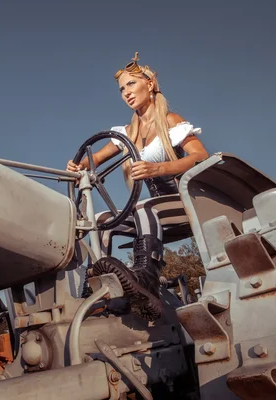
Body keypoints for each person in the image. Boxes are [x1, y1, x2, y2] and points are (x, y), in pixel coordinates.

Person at [67, 52, 209, 320]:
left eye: (131, 84)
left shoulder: (171, 121)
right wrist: (79, 167)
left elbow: (199, 156)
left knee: (143, 206)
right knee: (100, 222)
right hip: (152, 218)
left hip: (185, 206)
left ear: (151, 84)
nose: (126, 93)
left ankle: (148, 278)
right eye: (122, 89)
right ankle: (99, 290)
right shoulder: (126, 133)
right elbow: (93, 159)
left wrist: (159, 168)